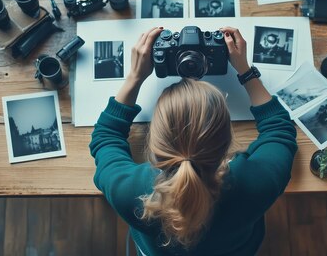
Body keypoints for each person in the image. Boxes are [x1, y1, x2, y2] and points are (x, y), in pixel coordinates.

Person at [90, 26, 298, 255]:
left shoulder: (130, 193)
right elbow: (280, 130)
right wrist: (245, 71)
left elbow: (105, 137)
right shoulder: (256, 184)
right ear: (228, 139)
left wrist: (135, 76)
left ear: (155, 140)